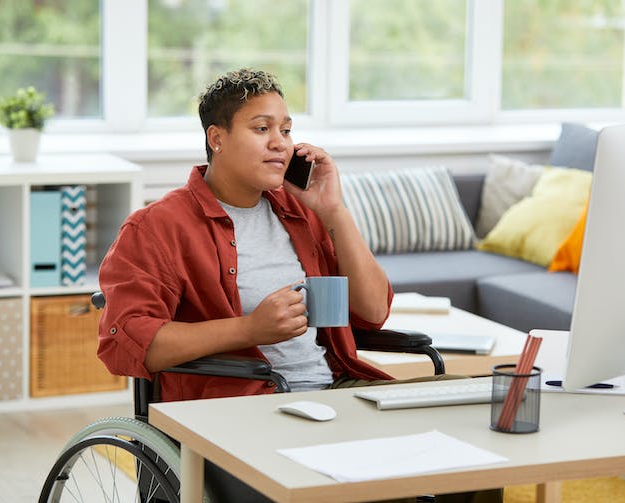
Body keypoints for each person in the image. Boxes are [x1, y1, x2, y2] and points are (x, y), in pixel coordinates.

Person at [97, 68, 501, 503]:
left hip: (335, 393)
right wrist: (249, 330)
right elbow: (126, 344)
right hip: (239, 408)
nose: (280, 142)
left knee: (475, 418)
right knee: (394, 486)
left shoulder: (298, 212)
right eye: (261, 128)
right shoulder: (157, 227)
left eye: (286, 130)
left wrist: (335, 211)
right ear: (217, 138)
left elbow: (371, 312)